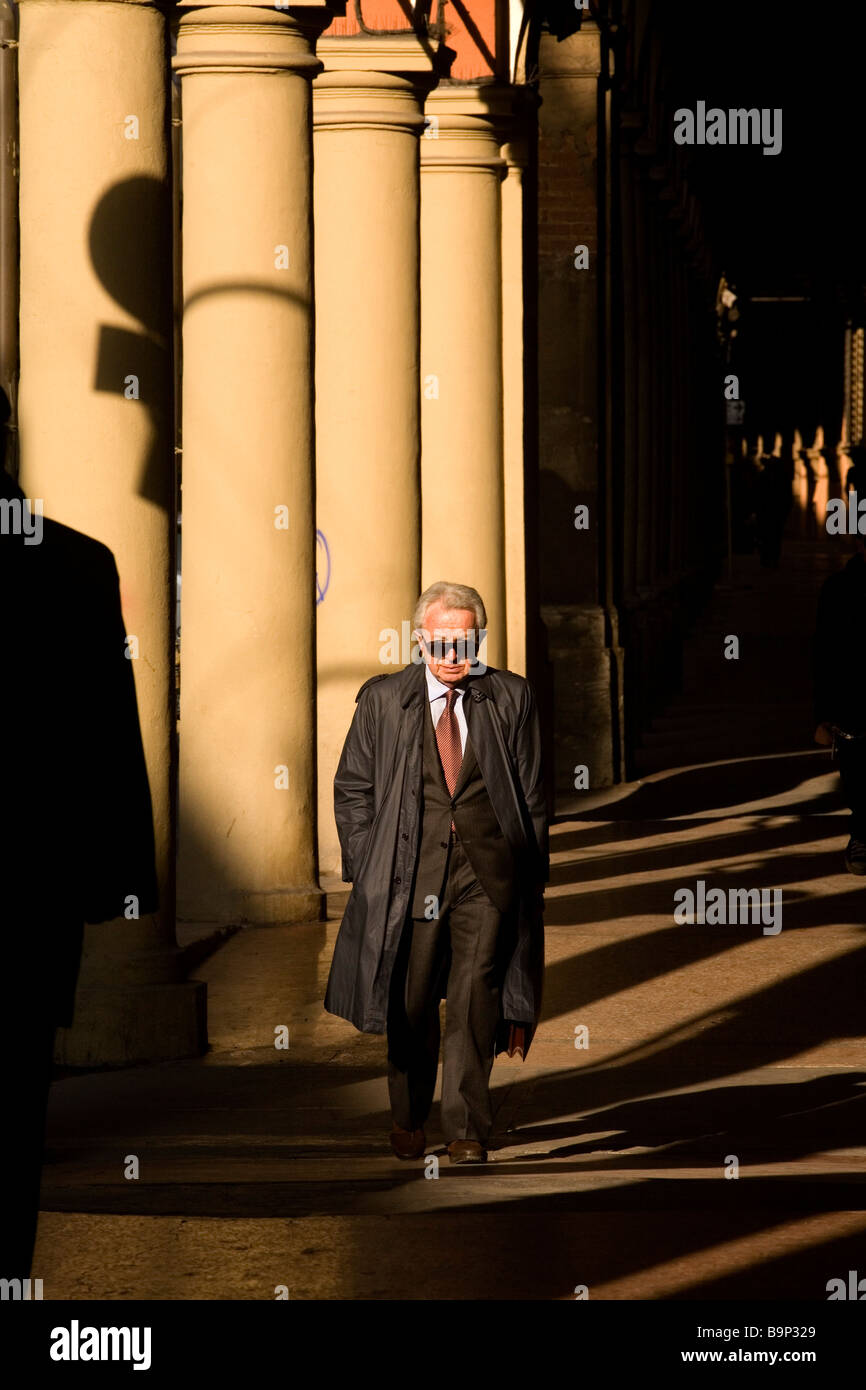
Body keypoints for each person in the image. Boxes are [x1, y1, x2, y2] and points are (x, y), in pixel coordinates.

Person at [0, 385, 159, 1277]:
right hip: (27, 910)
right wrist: (120, 881)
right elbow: (110, 741)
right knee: (14, 1121)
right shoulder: (74, 567)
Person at [324, 581, 548, 1164]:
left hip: (487, 875)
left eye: (464, 644)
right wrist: (366, 862)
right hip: (407, 873)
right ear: (419, 639)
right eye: (440, 644)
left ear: (479, 639)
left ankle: (467, 1130)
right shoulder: (383, 700)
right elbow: (352, 790)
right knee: (412, 1000)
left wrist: (531, 877)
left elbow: (532, 795)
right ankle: (407, 1115)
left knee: (476, 998)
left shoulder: (510, 696)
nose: (451, 658)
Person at [813, 525, 866, 875]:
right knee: (858, 771)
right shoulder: (837, 589)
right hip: (854, 698)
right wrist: (823, 713)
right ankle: (862, 834)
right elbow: (823, 654)